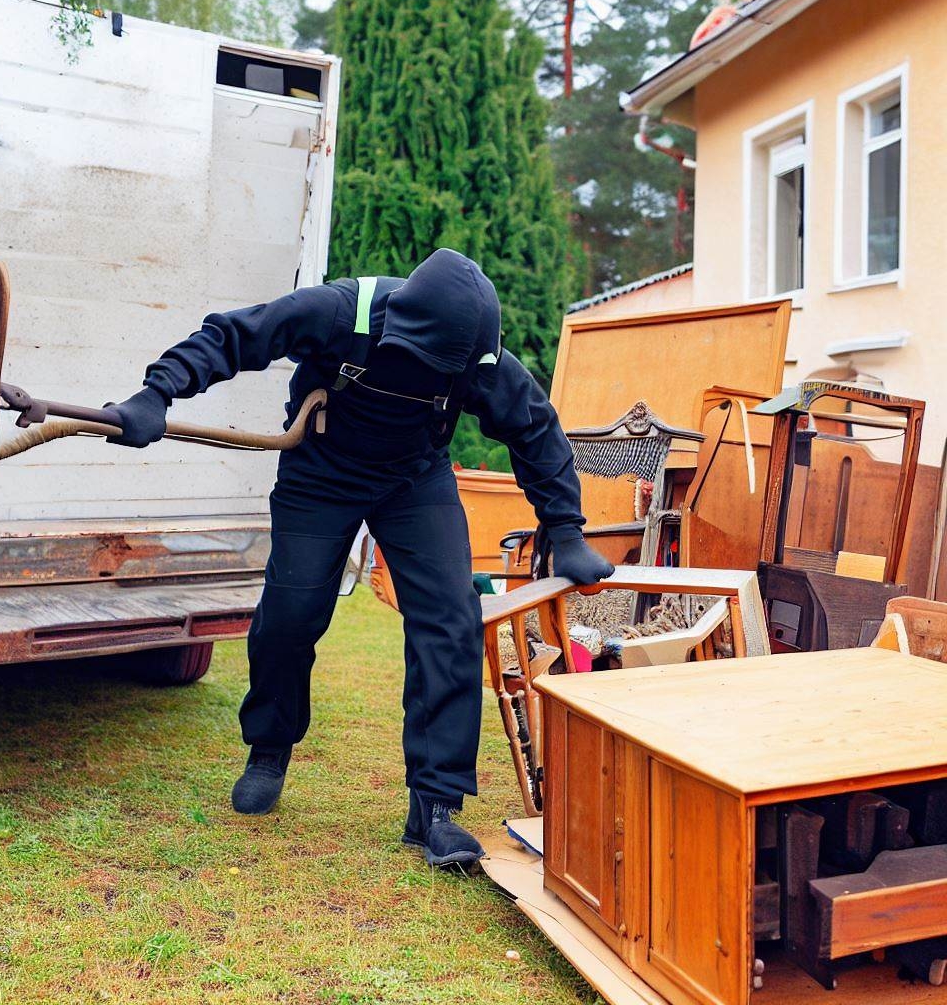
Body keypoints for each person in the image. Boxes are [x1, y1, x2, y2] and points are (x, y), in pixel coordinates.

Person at [107, 248, 613, 868]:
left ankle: (435, 806)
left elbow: (535, 429)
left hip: (414, 480)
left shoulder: (478, 357)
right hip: (320, 469)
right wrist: (157, 393)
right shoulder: (338, 312)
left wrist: (564, 529)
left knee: (451, 622)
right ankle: (269, 746)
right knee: (292, 614)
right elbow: (234, 336)